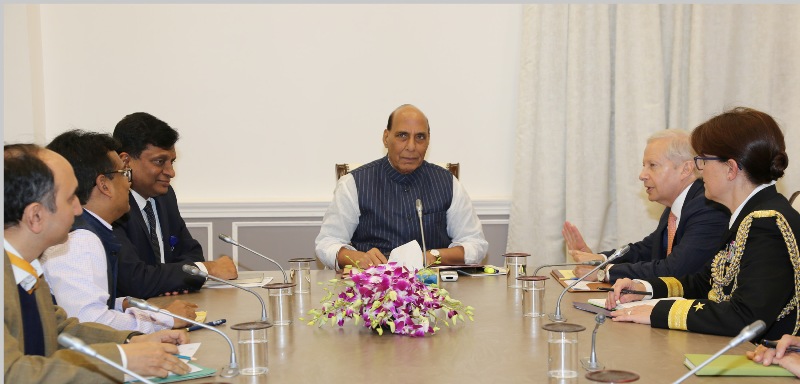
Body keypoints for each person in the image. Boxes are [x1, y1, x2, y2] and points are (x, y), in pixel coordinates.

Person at [605, 107, 800, 341]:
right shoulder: (748, 215)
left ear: (730, 168)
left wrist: (658, 311)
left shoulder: (767, 222)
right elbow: (704, 281)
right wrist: (643, 289)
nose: (699, 170)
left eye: (703, 161)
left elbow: (745, 316)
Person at [4, 143, 191, 382]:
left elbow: (60, 329)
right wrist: (122, 360)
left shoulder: (26, 266)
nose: (78, 208)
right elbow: (12, 373)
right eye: (70, 197)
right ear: (36, 216)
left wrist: (132, 341)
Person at [42, 130, 198, 333]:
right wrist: (163, 320)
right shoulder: (79, 240)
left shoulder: (92, 229)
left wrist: (127, 304)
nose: (129, 183)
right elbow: (89, 322)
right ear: (104, 185)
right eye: (124, 174)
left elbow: (88, 306)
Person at [315, 104, 488, 270]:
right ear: (386, 137)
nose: (411, 147)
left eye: (420, 137)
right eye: (402, 136)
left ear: (428, 140)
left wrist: (434, 255)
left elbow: (475, 244)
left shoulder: (447, 183)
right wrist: (359, 257)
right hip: (374, 289)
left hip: (434, 289)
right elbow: (327, 244)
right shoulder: (353, 183)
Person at [564, 129, 729, 282]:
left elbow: (674, 269)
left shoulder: (707, 208)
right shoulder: (677, 205)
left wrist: (604, 273)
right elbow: (646, 250)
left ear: (685, 169)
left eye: (652, 165)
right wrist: (598, 260)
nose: (642, 175)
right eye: (644, 166)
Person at [112, 112, 237, 298]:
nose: (171, 172)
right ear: (126, 161)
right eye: (159, 161)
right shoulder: (113, 205)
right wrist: (206, 269)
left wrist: (167, 280)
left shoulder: (165, 196)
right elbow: (136, 280)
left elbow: (191, 253)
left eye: (172, 162)